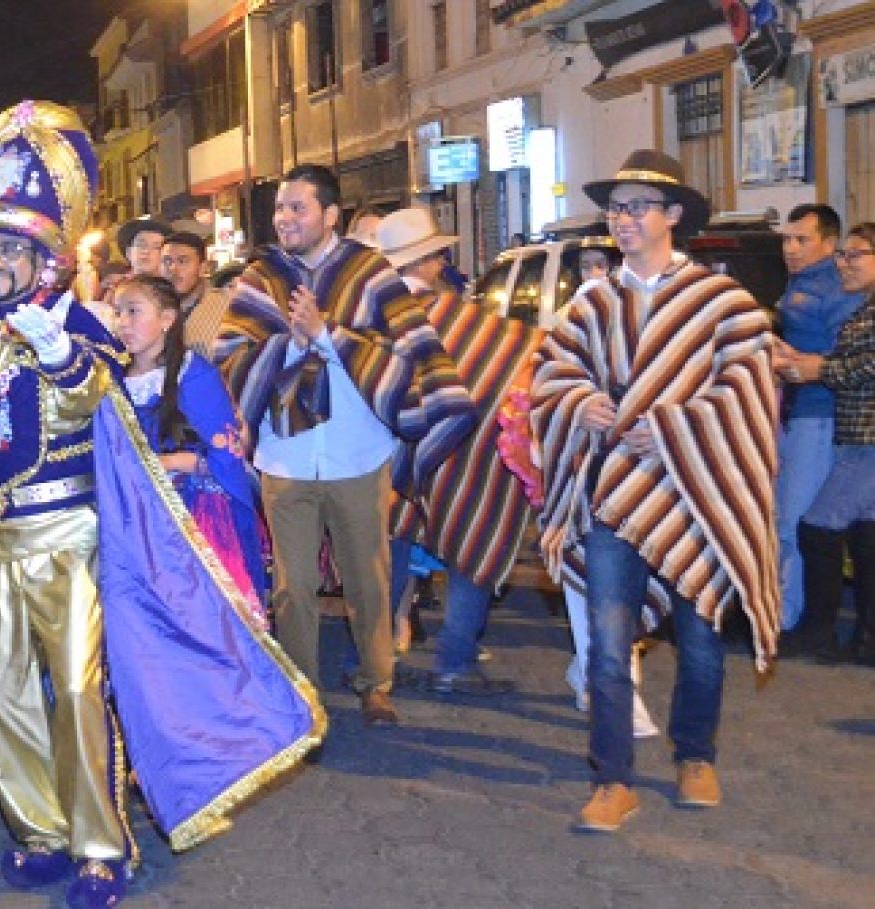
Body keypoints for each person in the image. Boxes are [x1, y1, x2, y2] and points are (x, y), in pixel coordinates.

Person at [0, 101, 319, 909]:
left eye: (9, 248)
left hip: (70, 538)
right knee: (4, 694)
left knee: (79, 693)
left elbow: (95, 396)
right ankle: (39, 830)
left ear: (42, 257)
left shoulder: (76, 324)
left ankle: (99, 847)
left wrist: (60, 355)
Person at [533, 150, 779, 833]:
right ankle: (613, 778)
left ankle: (695, 754)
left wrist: (670, 429)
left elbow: (752, 389)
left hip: (696, 494)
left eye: (639, 205)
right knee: (608, 645)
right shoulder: (593, 302)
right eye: (616, 207)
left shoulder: (721, 302)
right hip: (615, 494)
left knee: (701, 637)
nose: (624, 217)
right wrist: (578, 401)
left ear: (674, 216)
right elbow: (552, 371)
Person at [211, 164, 474, 726]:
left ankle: (376, 682)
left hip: (357, 451)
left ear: (330, 215)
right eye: (280, 208)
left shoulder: (371, 273)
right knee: (293, 585)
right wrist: (289, 340)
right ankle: (302, 689)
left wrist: (327, 334)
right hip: (285, 454)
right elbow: (229, 353)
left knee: (368, 578)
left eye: (297, 208)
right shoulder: (260, 279)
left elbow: (408, 354)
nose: (285, 219)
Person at [375, 207, 537, 695]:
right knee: (477, 536)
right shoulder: (476, 325)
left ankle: (377, 657)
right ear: (430, 262)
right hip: (469, 461)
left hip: (395, 458)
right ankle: (454, 660)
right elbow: (517, 362)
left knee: (392, 545)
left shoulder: (375, 321)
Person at [108, 274, 268, 608]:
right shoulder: (111, 378)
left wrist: (170, 462)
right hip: (132, 514)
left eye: (134, 311)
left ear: (167, 319)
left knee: (198, 613)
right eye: (117, 312)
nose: (123, 322)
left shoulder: (193, 374)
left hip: (193, 515)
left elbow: (228, 456)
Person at [775, 221, 875, 664]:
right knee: (866, 535)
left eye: (855, 254)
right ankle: (865, 637)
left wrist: (822, 371)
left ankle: (818, 631)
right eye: (843, 255)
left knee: (816, 527)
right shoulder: (862, 310)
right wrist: (805, 362)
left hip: (866, 441)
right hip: (855, 435)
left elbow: (864, 364)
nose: (843, 263)